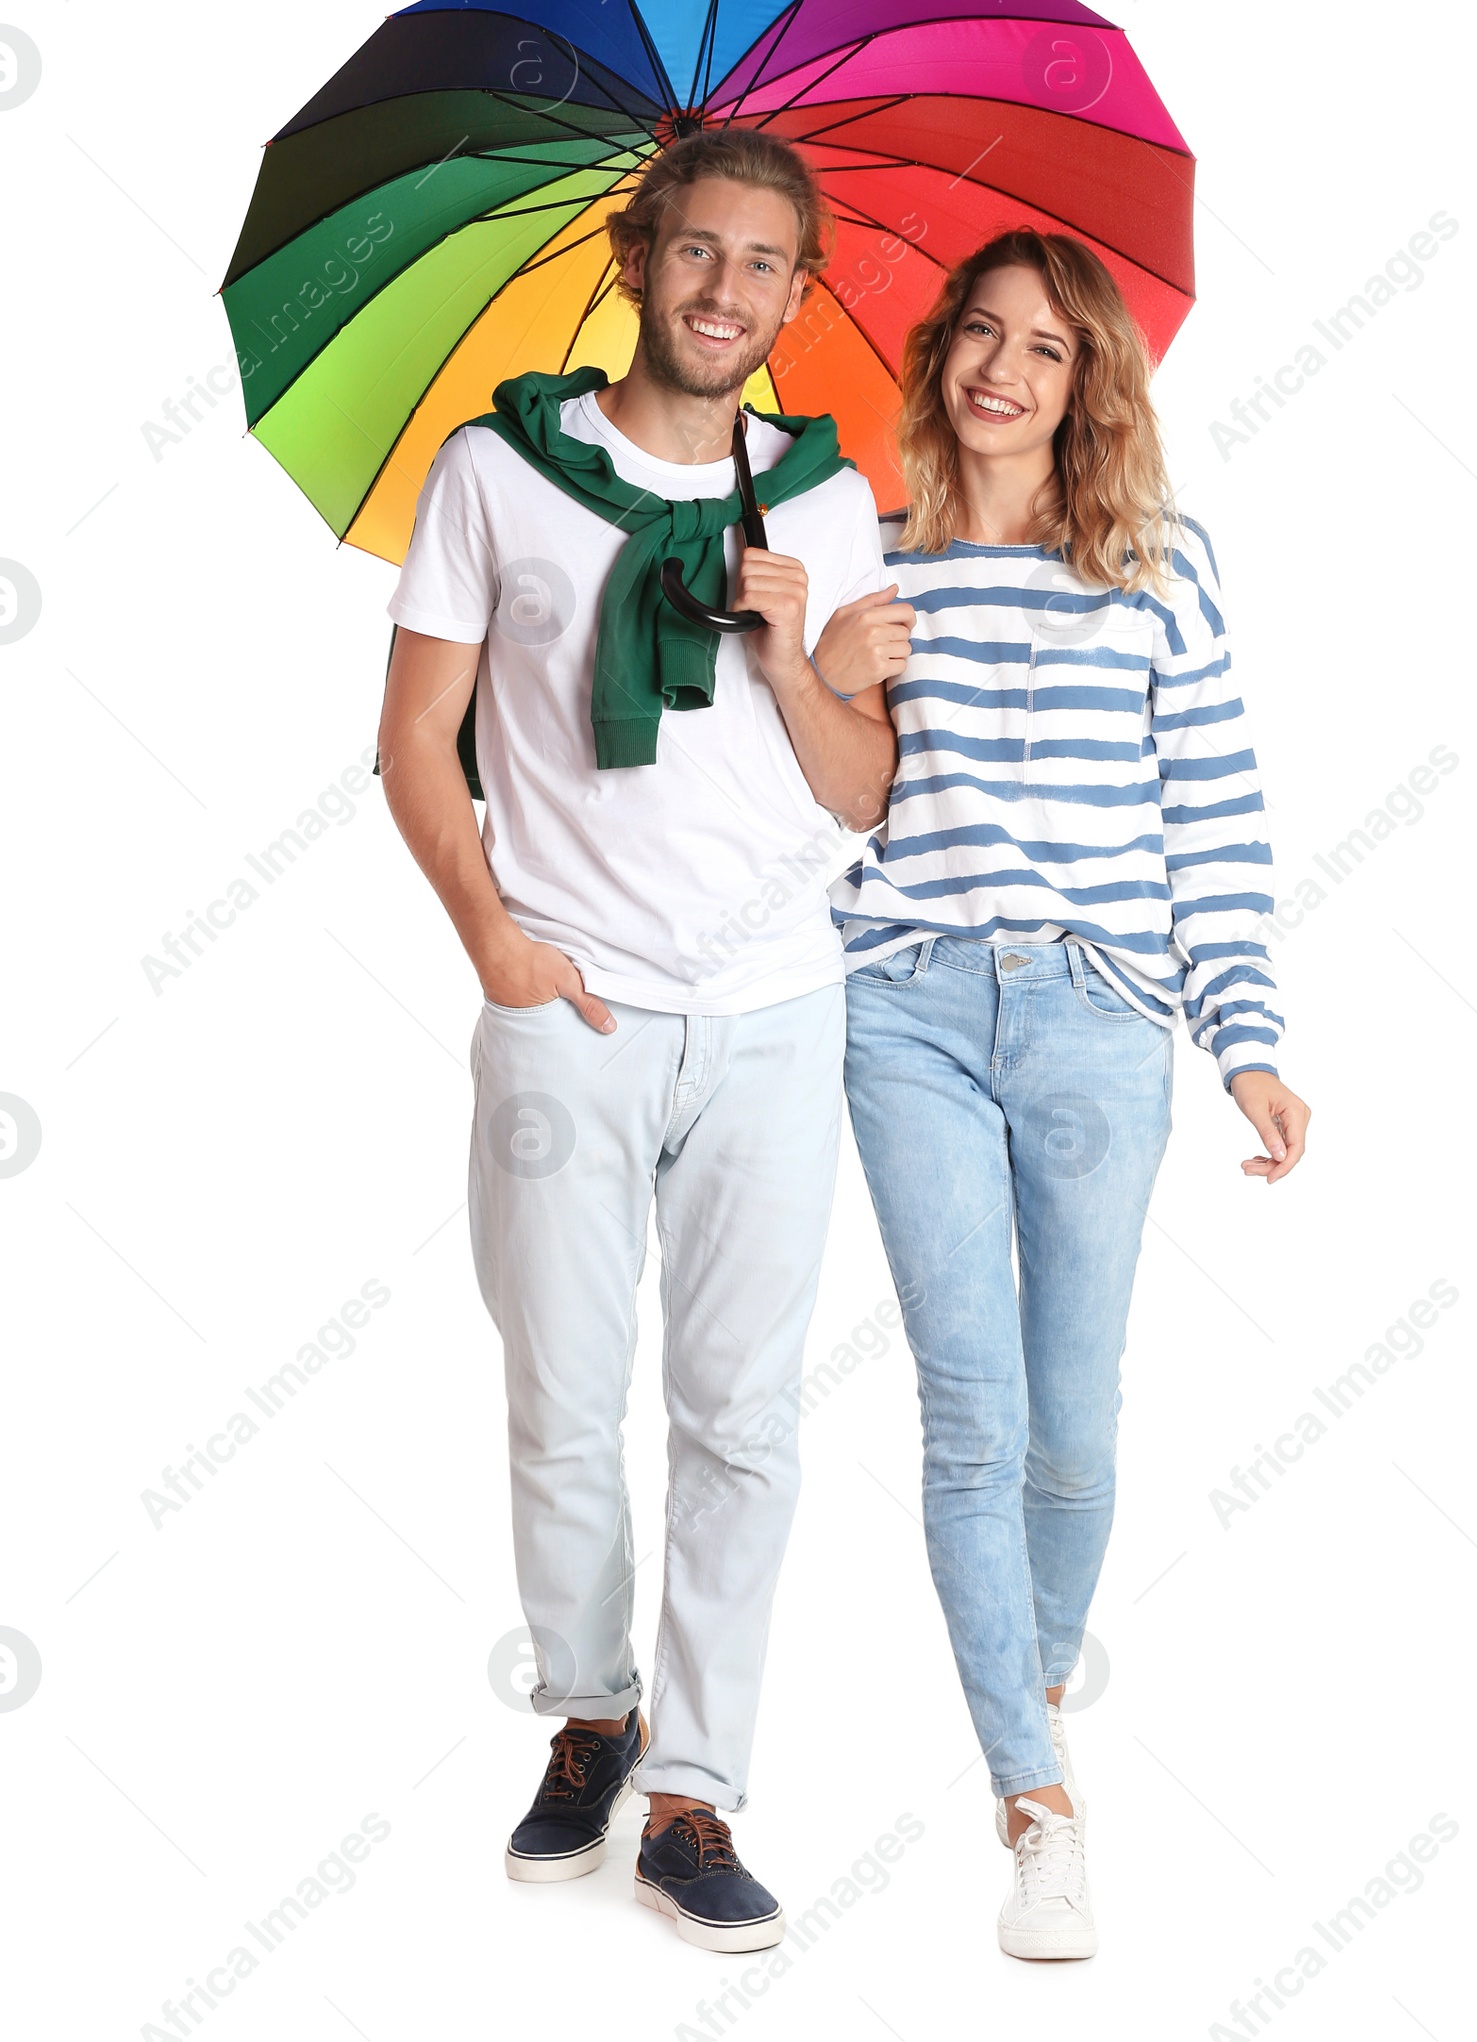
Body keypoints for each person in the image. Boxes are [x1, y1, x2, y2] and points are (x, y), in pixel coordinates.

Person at [377, 126, 893, 1954]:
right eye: (698, 251)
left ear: (795, 290)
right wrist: (500, 947)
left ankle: (699, 1792)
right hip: (571, 1010)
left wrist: (791, 651)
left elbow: (866, 791)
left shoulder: (829, 504)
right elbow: (413, 738)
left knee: (743, 1414)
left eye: (764, 263)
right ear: (638, 251)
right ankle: (595, 1711)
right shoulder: (498, 472)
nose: (725, 289)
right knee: (559, 1398)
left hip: (774, 1017)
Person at [814, 228, 1311, 1961]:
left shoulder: (1162, 563)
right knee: (971, 1408)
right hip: (907, 1013)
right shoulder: (864, 554)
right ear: (941, 352)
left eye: (1046, 344)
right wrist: (822, 673)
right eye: (980, 334)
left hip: (1102, 1013)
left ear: (1093, 378)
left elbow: (1217, 819)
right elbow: (823, 815)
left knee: (1073, 1421)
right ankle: (1036, 1801)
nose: (1003, 368)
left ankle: (1020, 1670)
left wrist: (1244, 1035)